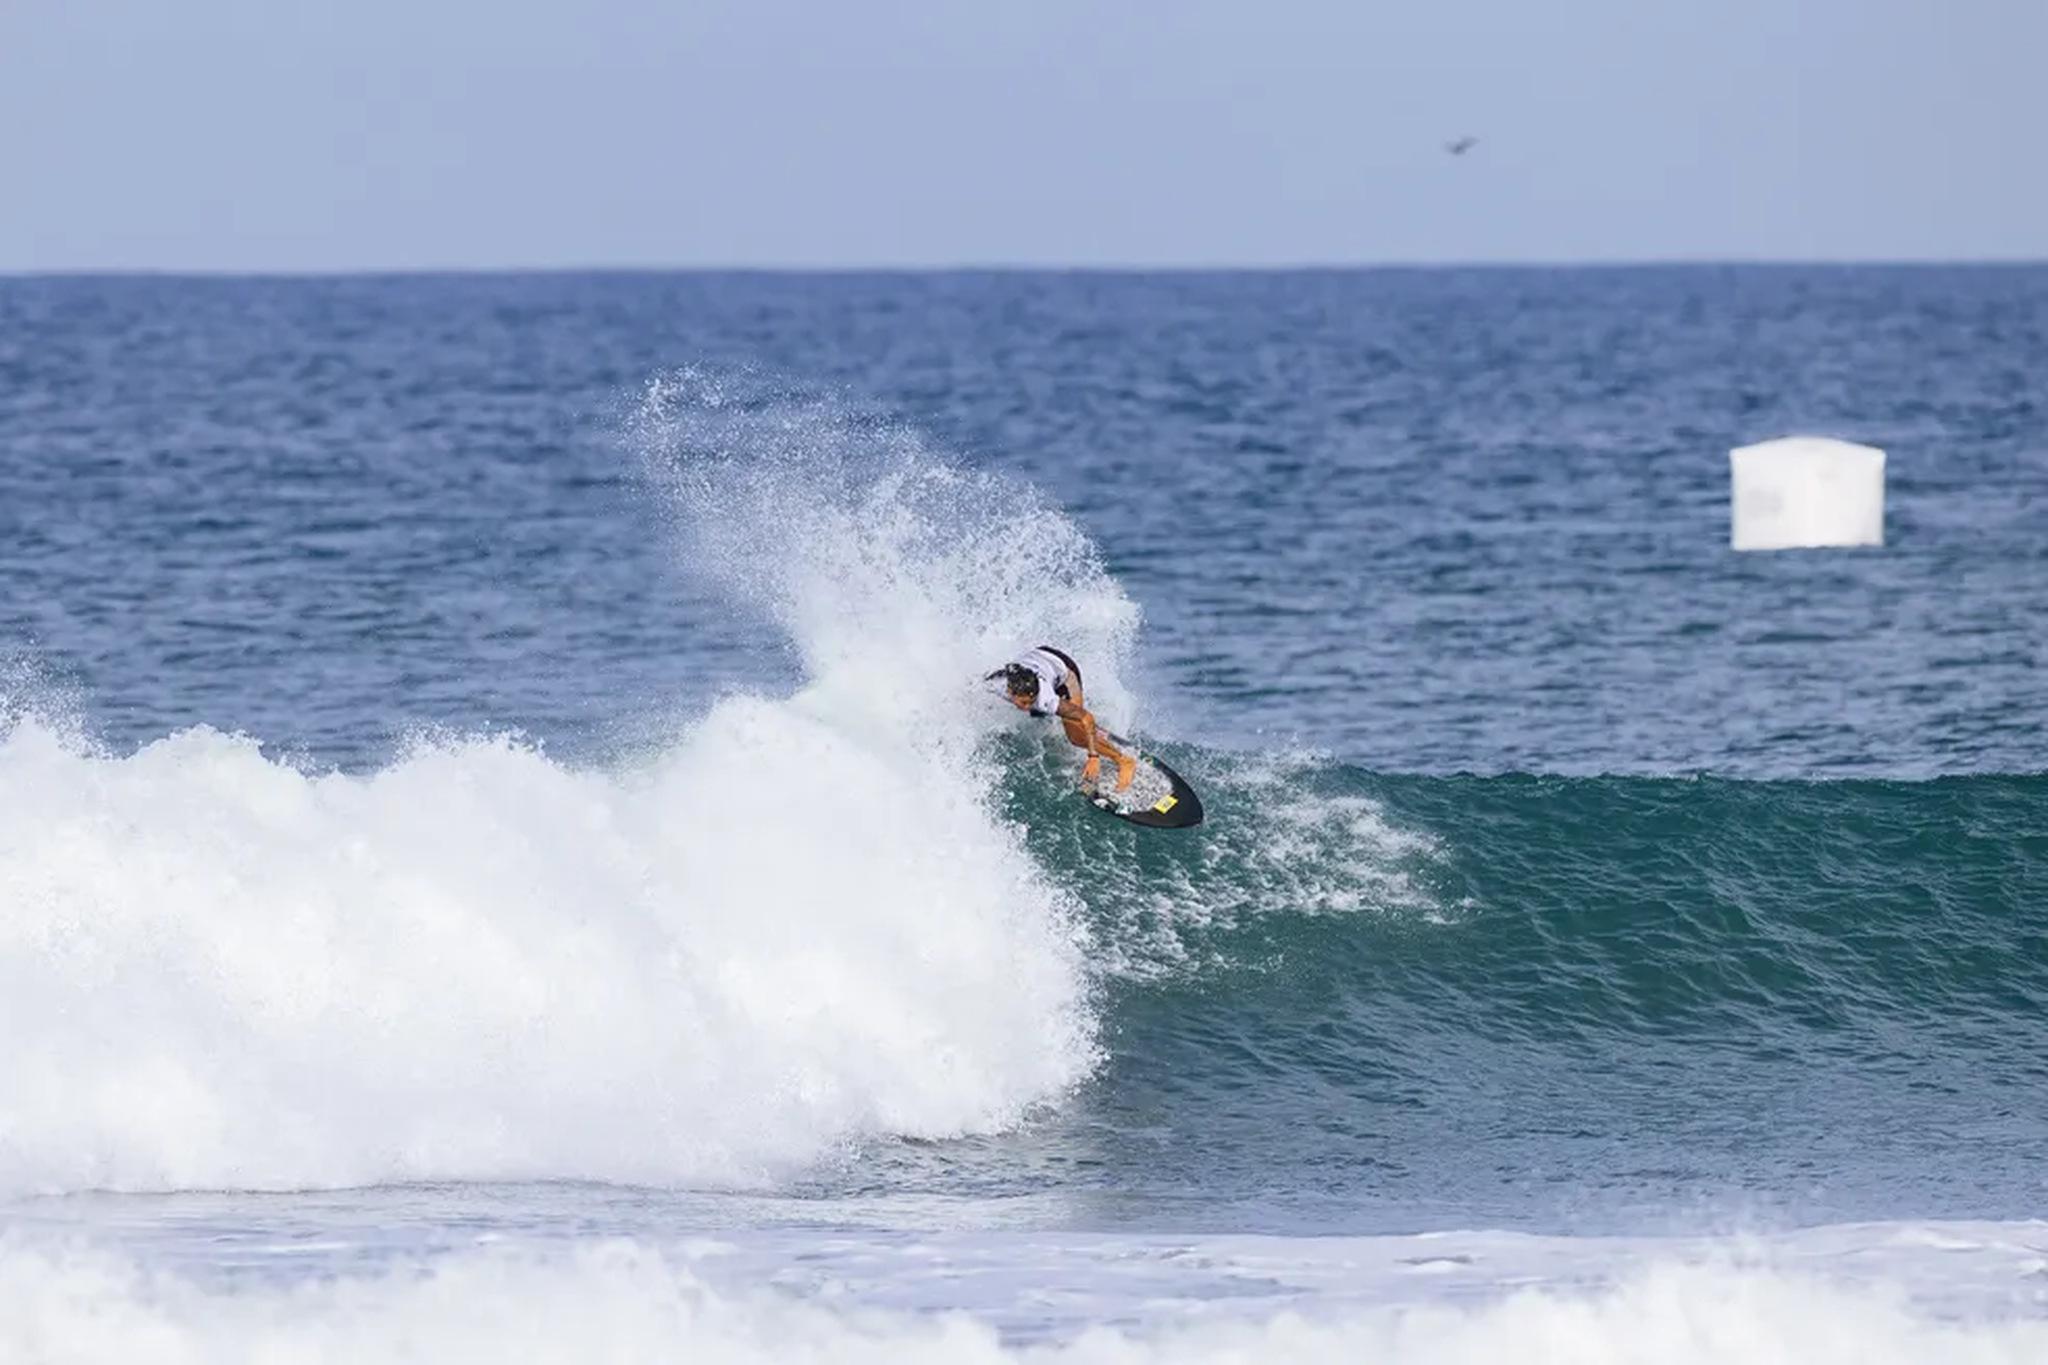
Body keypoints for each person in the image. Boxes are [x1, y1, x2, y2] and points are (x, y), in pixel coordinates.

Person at [988, 646, 1138, 794]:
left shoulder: (1046, 699)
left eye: (1030, 702)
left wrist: (1093, 756)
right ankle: (1090, 730)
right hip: (1040, 662)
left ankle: (1124, 760)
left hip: (1064, 670)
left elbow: (1086, 716)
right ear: (1010, 692)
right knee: (1038, 712)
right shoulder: (996, 684)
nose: (1027, 707)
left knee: (1075, 736)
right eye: (1023, 702)